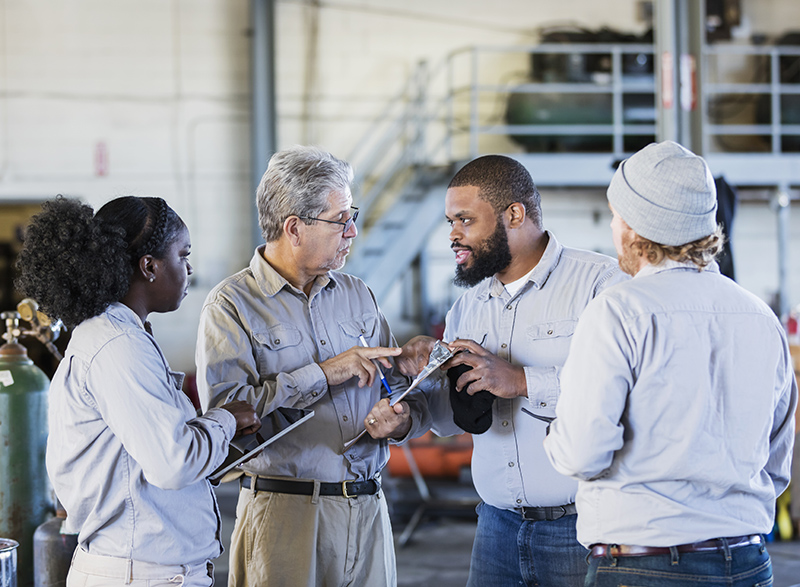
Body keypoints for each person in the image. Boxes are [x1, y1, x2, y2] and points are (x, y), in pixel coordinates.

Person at [543, 141, 797, 587]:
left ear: (638, 225)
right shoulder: (760, 317)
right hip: (747, 562)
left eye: (616, 214)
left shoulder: (618, 310)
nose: (613, 226)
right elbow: (775, 464)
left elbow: (584, 453)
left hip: (645, 563)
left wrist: (555, 433)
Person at [195, 145, 432, 587]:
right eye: (341, 218)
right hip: (284, 519)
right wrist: (324, 373)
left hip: (368, 512)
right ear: (294, 227)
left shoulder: (357, 294)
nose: (353, 231)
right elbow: (229, 420)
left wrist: (404, 392)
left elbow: (393, 389)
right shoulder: (232, 305)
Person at [397, 154, 626, 587]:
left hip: (580, 530)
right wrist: (409, 411)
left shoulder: (601, 286)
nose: (453, 236)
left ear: (514, 214)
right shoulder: (468, 306)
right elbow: (450, 419)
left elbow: (621, 393)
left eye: (465, 220)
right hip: (495, 529)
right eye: (450, 222)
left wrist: (521, 381)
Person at [14, 196, 260, 587]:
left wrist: (213, 438)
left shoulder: (123, 337)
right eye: (183, 255)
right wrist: (225, 419)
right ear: (149, 266)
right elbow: (172, 462)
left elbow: (150, 457)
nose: (190, 268)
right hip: (139, 575)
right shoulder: (117, 345)